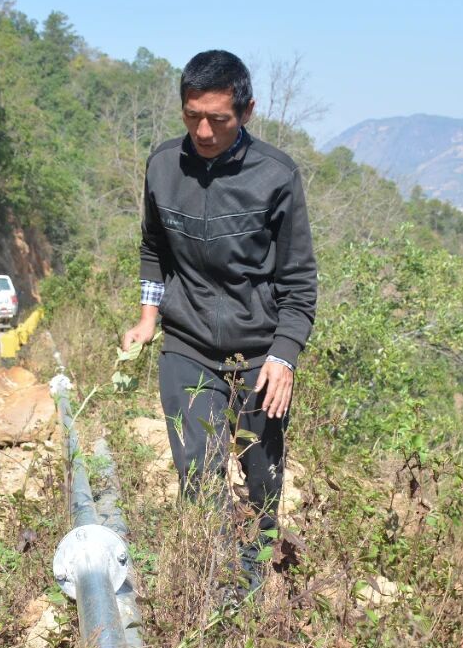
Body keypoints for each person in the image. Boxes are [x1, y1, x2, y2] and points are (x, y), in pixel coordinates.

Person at [121, 50, 318, 594]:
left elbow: (299, 280)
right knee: (198, 473)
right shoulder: (164, 165)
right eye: (192, 117)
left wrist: (284, 356)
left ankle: (252, 596)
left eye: (218, 119)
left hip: (258, 354)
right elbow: (153, 248)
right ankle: (208, 595)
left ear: (247, 111)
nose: (204, 132)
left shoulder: (276, 176)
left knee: (262, 481)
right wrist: (147, 317)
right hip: (187, 345)